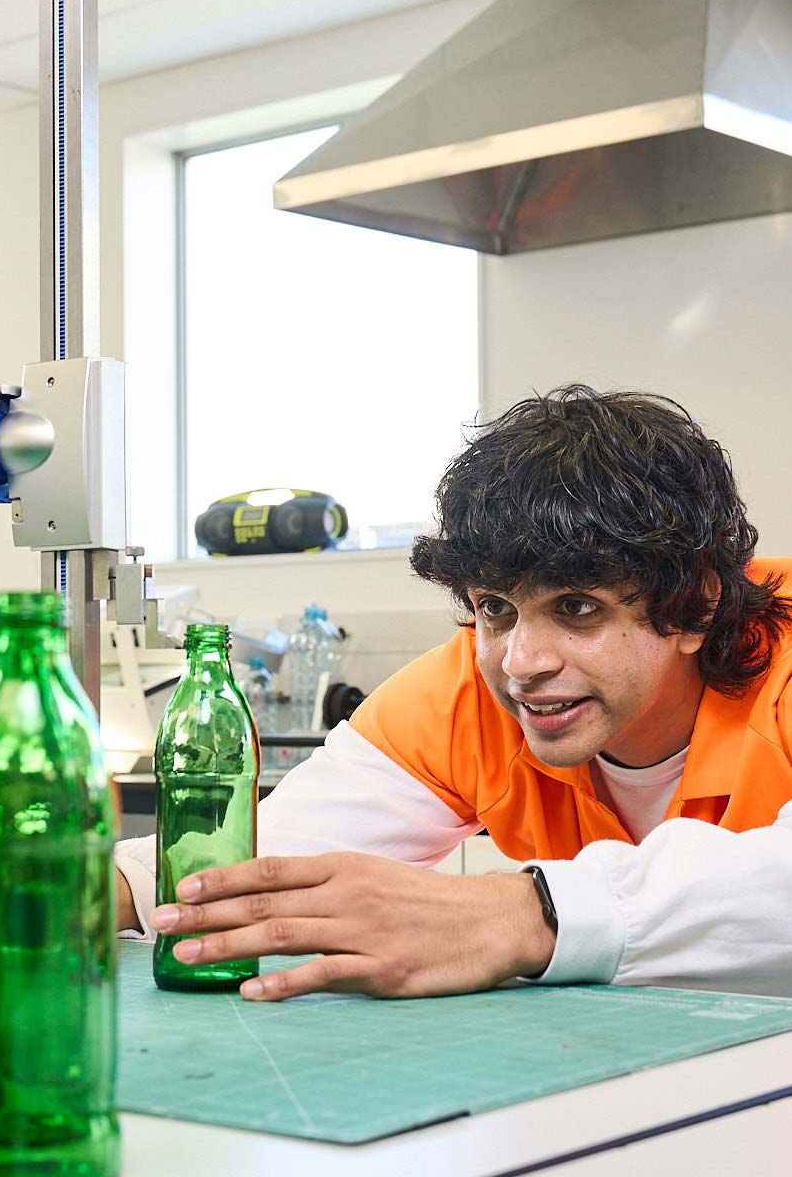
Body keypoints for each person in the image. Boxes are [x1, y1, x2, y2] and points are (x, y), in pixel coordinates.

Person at [115, 385, 792, 1000]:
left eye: (578, 608)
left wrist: (526, 915)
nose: (521, 663)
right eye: (496, 607)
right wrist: (86, 889)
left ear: (696, 608)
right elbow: (273, 856)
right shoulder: (469, 688)